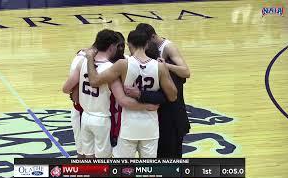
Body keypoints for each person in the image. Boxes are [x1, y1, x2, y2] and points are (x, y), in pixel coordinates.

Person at [62, 29, 158, 158]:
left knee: (87, 160)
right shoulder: (110, 69)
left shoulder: (83, 61)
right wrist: (146, 106)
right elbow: (123, 100)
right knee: (102, 165)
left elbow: (65, 88)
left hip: (85, 117)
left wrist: (77, 91)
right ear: (112, 46)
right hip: (102, 119)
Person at [85, 29, 178, 158]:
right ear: (147, 44)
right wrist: (164, 72)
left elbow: (94, 81)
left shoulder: (123, 64)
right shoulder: (159, 66)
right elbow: (173, 96)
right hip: (150, 126)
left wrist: (90, 58)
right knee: (151, 172)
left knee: (125, 171)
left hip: (129, 125)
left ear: (129, 45)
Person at [129, 23, 191, 159]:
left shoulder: (167, 48)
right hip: (163, 119)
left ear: (150, 38)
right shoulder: (150, 59)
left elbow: (185, 72)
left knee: (169, 160)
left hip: (171, 118)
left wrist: (164, 66)